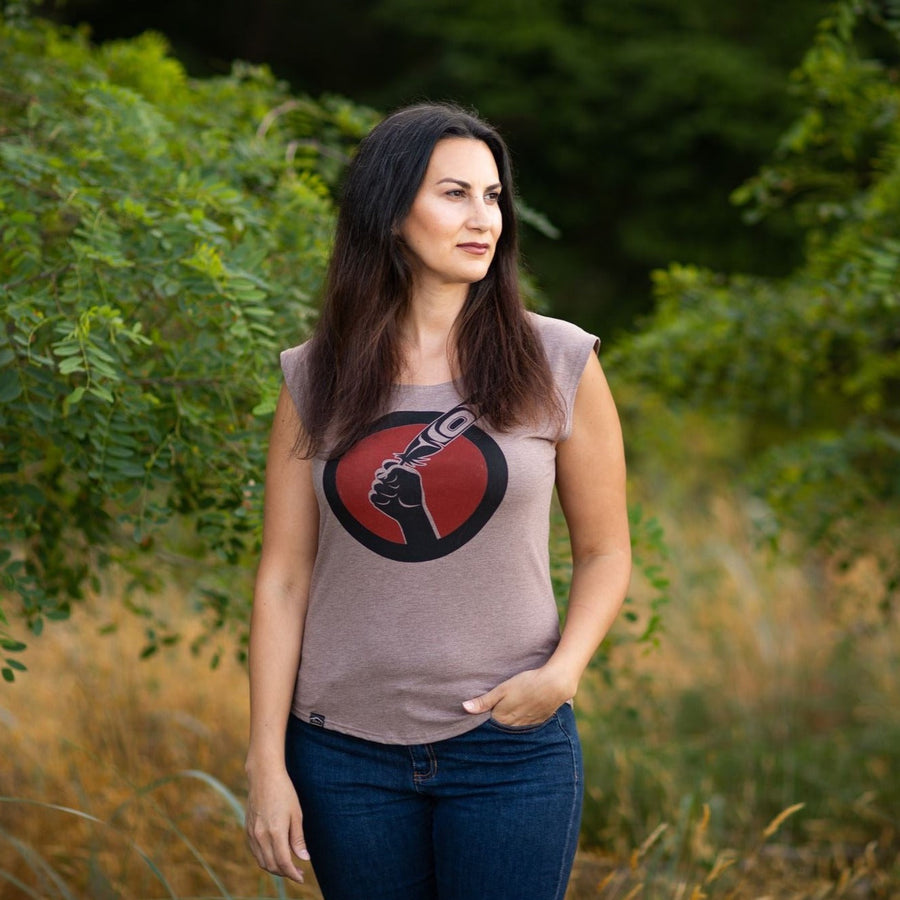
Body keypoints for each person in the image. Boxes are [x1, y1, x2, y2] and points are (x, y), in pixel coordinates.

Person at [244, 102, 631, 900]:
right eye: (454, 194)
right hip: (342, 755)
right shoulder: (314, 376)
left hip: (508, 744)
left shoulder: (557, 360)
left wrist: (563, 673)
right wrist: (265, 762)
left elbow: (605, 551)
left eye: (493, 197)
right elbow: (283, 578)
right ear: (390, 214)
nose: (482, 217)